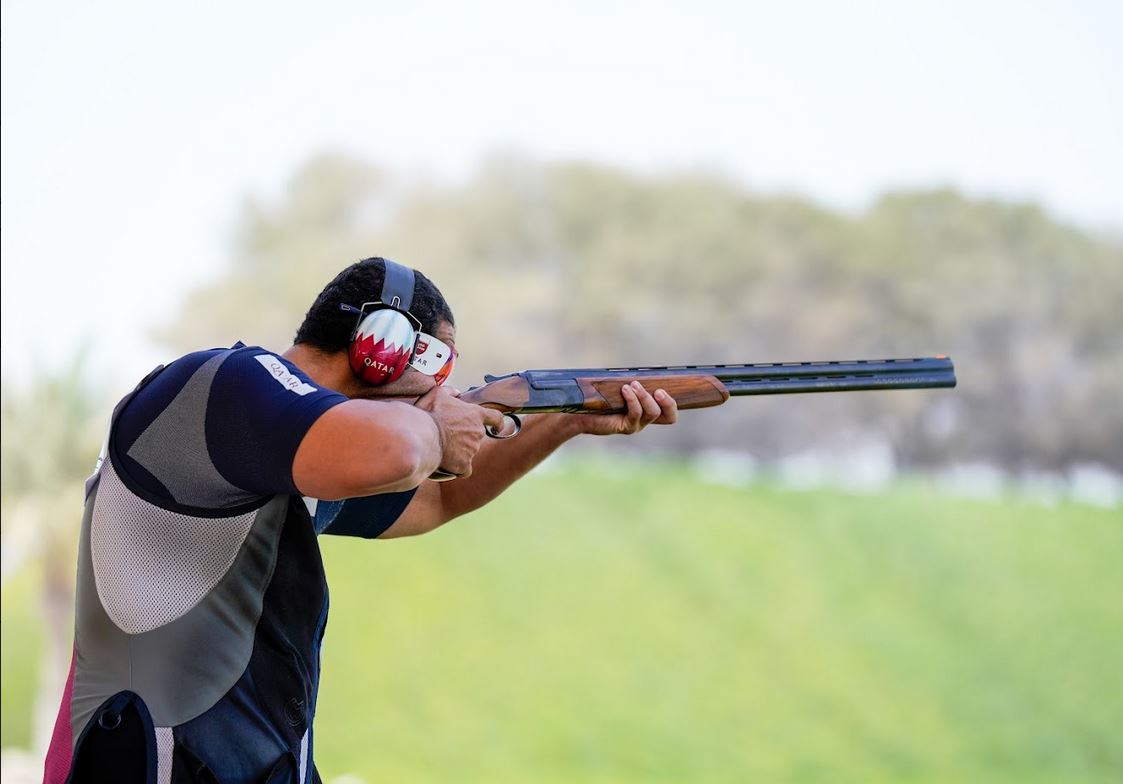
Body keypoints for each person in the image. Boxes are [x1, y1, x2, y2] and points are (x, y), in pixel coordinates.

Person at [44, 257, 678, 783]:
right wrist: (434, 427)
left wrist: (564, 419)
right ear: (382, 347)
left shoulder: (285, 464)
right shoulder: (227, 384)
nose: (443, 390)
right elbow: (400, 452)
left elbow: (438, 499)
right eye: (437, 363)